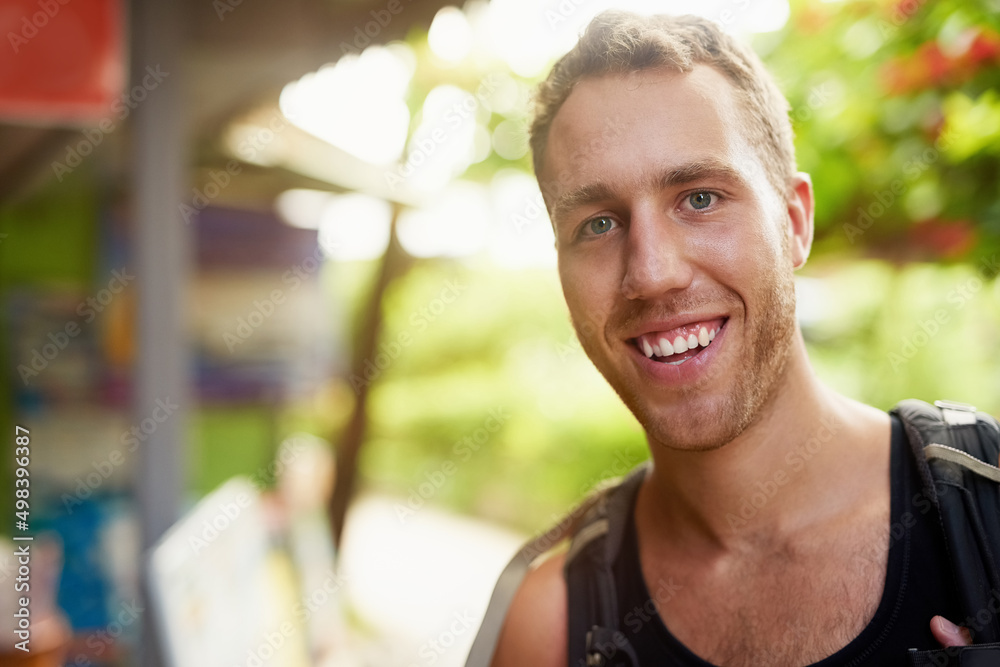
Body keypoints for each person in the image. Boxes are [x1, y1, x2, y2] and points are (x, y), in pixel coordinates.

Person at [491, 10, 984, 666]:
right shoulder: (549, 626)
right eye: (599, 223)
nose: (652, 274)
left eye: (699, 198)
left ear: (795, 222)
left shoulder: (986, 516)